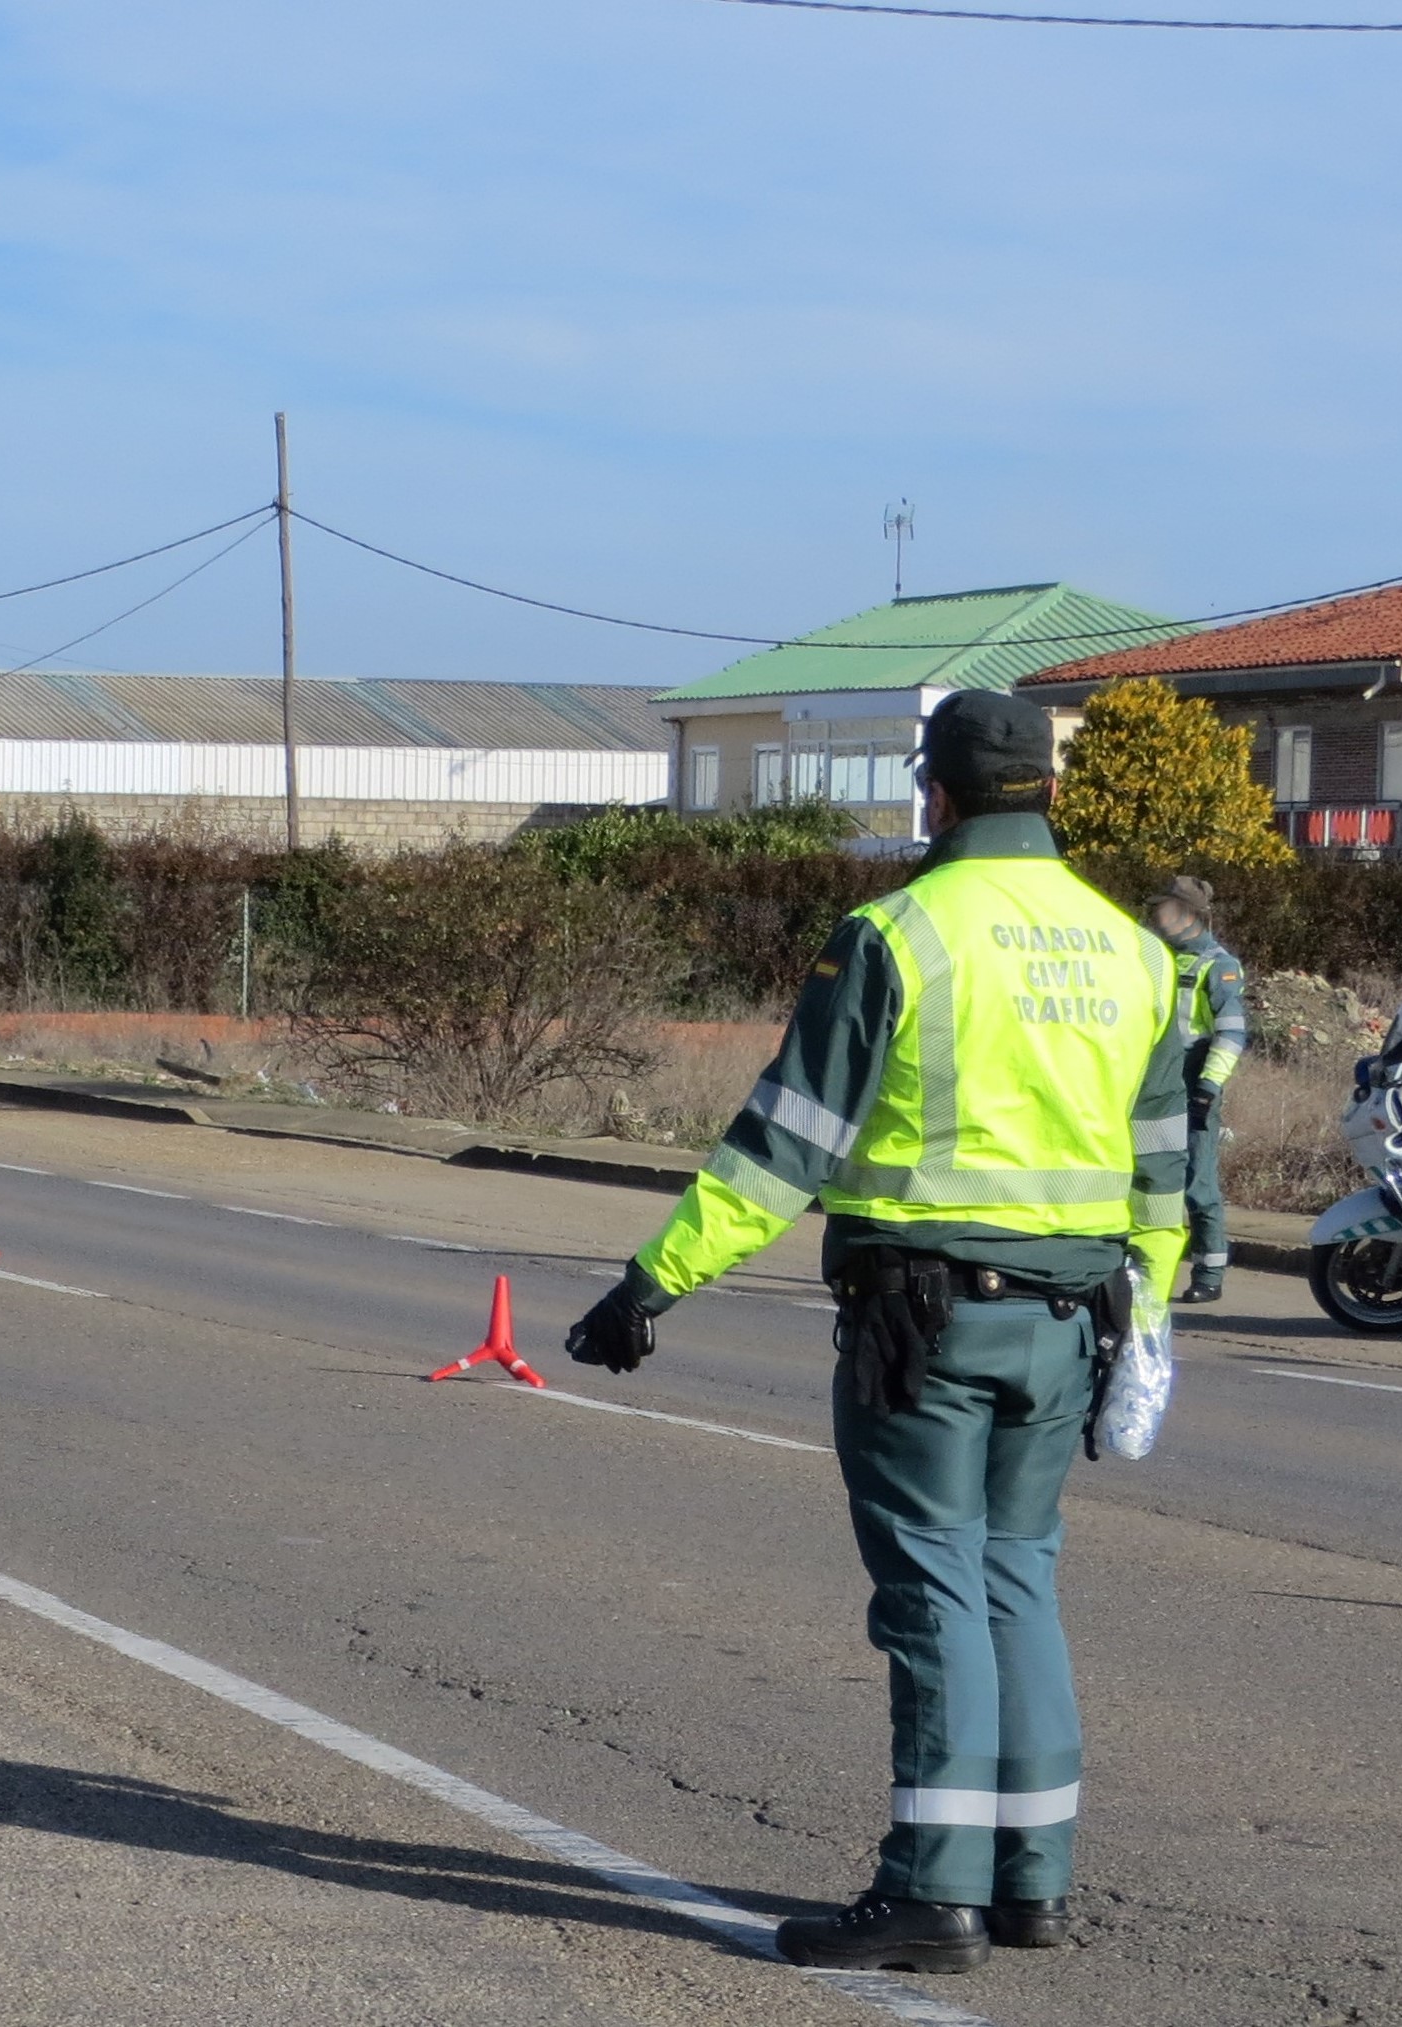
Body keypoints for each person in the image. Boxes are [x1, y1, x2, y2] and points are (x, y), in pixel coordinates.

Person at [567, 688, 1188, 1977]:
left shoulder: (895, 934)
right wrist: (1149, 1312)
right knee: (1016, 1575)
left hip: (924, 1322)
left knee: (932, 1588)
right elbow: (1164, 1166)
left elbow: (783, 1145)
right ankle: (1028, 1878)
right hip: (1075, 1316)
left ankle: (929, 1891)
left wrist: (650, 1284)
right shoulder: (1136, 952)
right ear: (1049, 792)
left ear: (934, 794)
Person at [1146, 876, 1247, 1303]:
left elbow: (1232, 1033)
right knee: (1149, 1176)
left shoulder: (1218, 965)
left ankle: (1209, 1273)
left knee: (1197, 1183)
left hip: (1194, 1079)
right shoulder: (1157, 958)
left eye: (1165, 909)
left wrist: (1208, 1086)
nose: (1156, 917)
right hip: (1156, 1080)